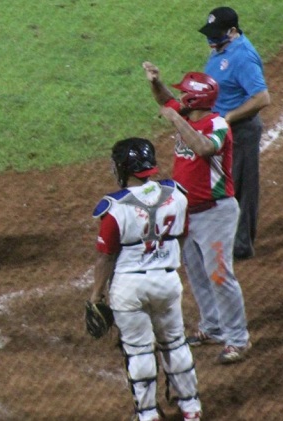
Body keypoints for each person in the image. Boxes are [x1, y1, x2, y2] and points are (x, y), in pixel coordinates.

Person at [142, 62, 251, 364]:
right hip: (187, 212)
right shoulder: (189, 116)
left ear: (193, 101)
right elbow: (166, 101)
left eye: (184, 95)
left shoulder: (216, 124)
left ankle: (238, 340)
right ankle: (213, 327)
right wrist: (155, 81)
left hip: (216, 212)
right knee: (197, 273)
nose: (179, 99)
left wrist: (176, 119)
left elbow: (204, 148)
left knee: (219, 275)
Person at [89, 138, 202, 421]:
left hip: (129, 288)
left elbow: (105, 257)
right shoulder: (176, 196)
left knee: (139, 352)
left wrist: (95, 295)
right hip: (167, 281)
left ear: (123, 167)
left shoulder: (115, 208)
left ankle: (148, 414)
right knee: (175, 343)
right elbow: (183, 234)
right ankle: (191, 407)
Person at [199, 6, 271, 259]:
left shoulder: (242, 56)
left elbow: (262, 97)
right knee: (224, 184)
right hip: (222, 129)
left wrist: (228, 118)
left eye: (217, 33)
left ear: (232, 31)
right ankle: (225, 236)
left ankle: (241, 245)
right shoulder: (221, 49)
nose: (211, 38)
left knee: (241, 187)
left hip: (240, 130)